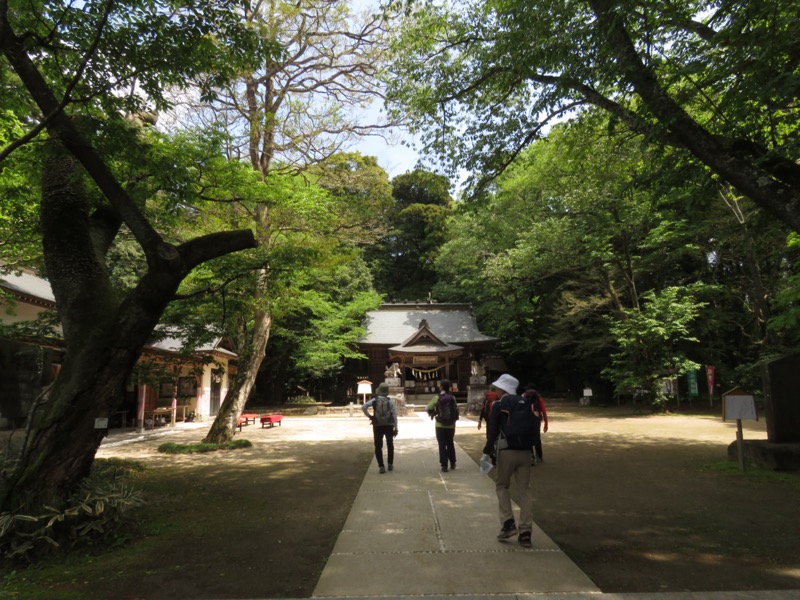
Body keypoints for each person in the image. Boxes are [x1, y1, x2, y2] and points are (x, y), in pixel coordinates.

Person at [482, 373, 538, 548]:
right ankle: (526, 532)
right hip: (525, 451)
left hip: (506, 450)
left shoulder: (499, 404)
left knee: (501, 485)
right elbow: (534, 427)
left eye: (497, 388)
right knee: (525, 490)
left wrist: (486, 451)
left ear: (503, 389)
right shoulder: (526, 403)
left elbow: (492, 430)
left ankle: (508, 523)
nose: (496, 390)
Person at [362, 382, 398, 474]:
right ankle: (390, 464)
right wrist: (396, 427)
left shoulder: (374, 400)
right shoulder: (390, 401)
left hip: (377, 425)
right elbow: (394, 415)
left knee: (378, 446)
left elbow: (364, 406)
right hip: (389, 425)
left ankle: (381, 466)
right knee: (390, 444)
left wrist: (370, 416)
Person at [426, 379, 458, 472]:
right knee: (450, 443)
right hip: (451, 425)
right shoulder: (453, 397)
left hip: (440, 425)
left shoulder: (437, 397)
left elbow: (428, 407)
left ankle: (444, 465)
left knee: (442, 444)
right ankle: (452, 462)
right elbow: (456, 409)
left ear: (441, 387)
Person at [523, 383, 549, 464]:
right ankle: (539, 456)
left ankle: (531, 456)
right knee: (537, 437)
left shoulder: (524, 396)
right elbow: (544, 411)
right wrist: (546, 424)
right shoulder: (538, 397)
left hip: (527, 419)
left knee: (528, 437)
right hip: (536, 419)